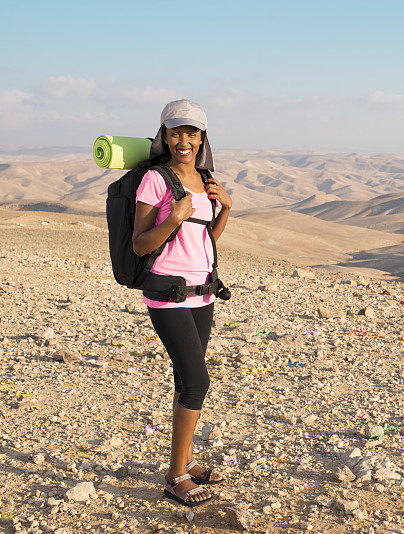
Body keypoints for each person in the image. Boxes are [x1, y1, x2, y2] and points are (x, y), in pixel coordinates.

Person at [132, 99, 232, 506]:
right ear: (165, 136)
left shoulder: (206, 178)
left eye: (192, 133)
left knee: (185, 380)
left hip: (202, 293)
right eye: (176, 133)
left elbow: (207, 239)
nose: (184, 140)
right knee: (197, 381)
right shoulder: (155, 181)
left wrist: (225, 207)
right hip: (167, 294)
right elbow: (140, 245)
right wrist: (172, 218)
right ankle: (175, 476)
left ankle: (187, 462)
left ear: (202, 138)